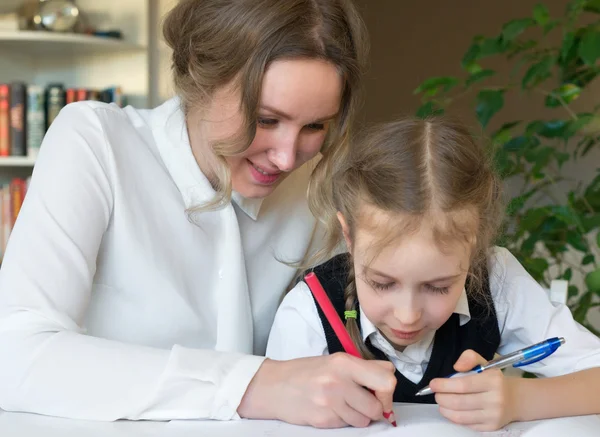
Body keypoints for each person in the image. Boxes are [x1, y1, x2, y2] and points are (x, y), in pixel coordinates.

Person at [0, 0, 397, 428]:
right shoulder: (96, 143)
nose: (286, 157)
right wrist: (254, 385)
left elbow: (356, 327)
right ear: (200, 80)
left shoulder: (316, 186)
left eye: (315, 126)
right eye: (265, 119)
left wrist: (473, 375)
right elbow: (17, 357)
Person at [266, 117, 600, 432]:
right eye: (382, 283)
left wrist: (518, 400)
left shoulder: (496, 279)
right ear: (348, 236)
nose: (407, 315)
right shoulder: (309, 312)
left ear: (475, 248)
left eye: (439, 287)